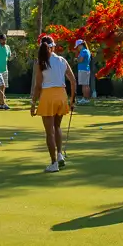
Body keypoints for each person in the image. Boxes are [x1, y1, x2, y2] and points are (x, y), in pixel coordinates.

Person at [29, 35, 77, 173]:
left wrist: (33, 103)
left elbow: (38, 86)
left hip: (48, 96)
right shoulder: (62, 60)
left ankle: (54, 163)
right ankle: (60, 154)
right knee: (57, 127)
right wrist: (72, 100)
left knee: (49, 132)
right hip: (61, 96)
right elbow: (73, 81)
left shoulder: (41, 62)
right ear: (53, 47)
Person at [74, 39, 92, 105]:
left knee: (84, 85)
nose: (77, 48)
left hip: (82, 70)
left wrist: (76, 60)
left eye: (77, 46)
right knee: (86, 85)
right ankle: (87, 99)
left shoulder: (83, 51)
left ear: (80, 45)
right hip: (86, 69)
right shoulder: (87, 51)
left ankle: (85, 99)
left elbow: (80, 60)